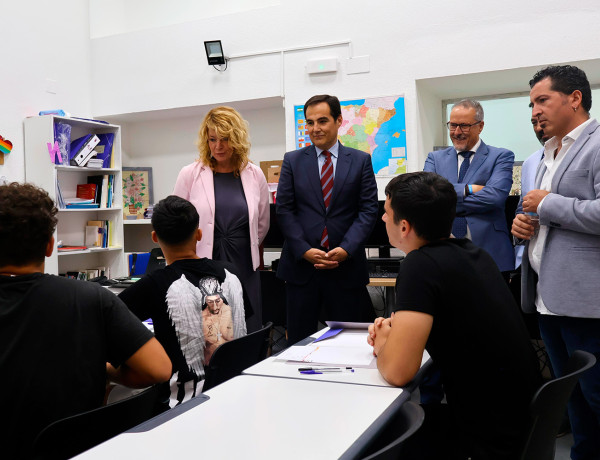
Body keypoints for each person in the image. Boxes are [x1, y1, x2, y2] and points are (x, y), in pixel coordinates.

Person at [368, 172, 541, 459]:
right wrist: (396, 332)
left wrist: (384, 342)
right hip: (520, 421)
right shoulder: (475, 254)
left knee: (385, 438)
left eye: (386, 213)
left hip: (486, 437)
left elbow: (398, 372)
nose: (383, 220)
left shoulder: (420, 266)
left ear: (405, 226)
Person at [0, 182, 171, 459]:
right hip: (79, 450)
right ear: (49, 245)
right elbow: (159, 369)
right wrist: (107, 371)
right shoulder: (92, 298)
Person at [512, 64, 600, 460]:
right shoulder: (539, 157)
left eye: (542, 100)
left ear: (575, 98)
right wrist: (521, 224)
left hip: (588, 301)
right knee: (572, 400)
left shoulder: (597, 144)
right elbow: (531, 212)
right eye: (531, 104)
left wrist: (549, 204)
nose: (534, 111)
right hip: (547, 298)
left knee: (598, 395)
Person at [119, 195, 249, 406]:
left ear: (154, 237)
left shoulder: (155, 283)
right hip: (236, 390)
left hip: (183, 405)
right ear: (198, 234)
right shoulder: (231, 273)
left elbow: (110, 325)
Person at [276, 94, 378, 344]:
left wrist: (346, 248)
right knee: (299, 345)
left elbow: (368, 210)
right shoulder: (293, 160)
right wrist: (304, 250)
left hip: (345, 268)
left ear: (339, 120)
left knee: (353, 343)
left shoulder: (360, 161)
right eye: (309, 123)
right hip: (302, 268)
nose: (315, 128)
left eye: (322, 121)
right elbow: (284, 210)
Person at [173, 106, 269, 332]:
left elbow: (262, 222)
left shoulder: (254, 174)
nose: (218, 146)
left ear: (237, 138)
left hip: (245, 262)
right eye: (212, 139)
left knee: (247, 327)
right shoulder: (190, 174)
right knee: (211, 332)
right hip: (204, 263)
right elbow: (176, 222)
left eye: (225, 139)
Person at [424, 99, 515, 276]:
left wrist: (445, 200)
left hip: (491, 254)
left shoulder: (501, 156)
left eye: (464, 126)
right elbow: (427, 198)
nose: (457, 132)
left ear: (480, 126)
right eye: (453, 125)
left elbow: (494, 198)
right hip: (443, 253)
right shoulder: (435, 158)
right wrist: (468, 189)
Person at [514, 116, 549, 268]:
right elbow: (523, 206)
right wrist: (519, 222)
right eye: (534, 123)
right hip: (531, 262)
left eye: (544, 121)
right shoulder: (530, 162)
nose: (538, 128)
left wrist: (547, 203)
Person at [200, 282, 234, 364]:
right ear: (204, 301)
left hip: (232, 362)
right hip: (210, 368)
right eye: (210, 302)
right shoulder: (201, 318)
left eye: (217, 301)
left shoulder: (228, 310)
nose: (215, 307)